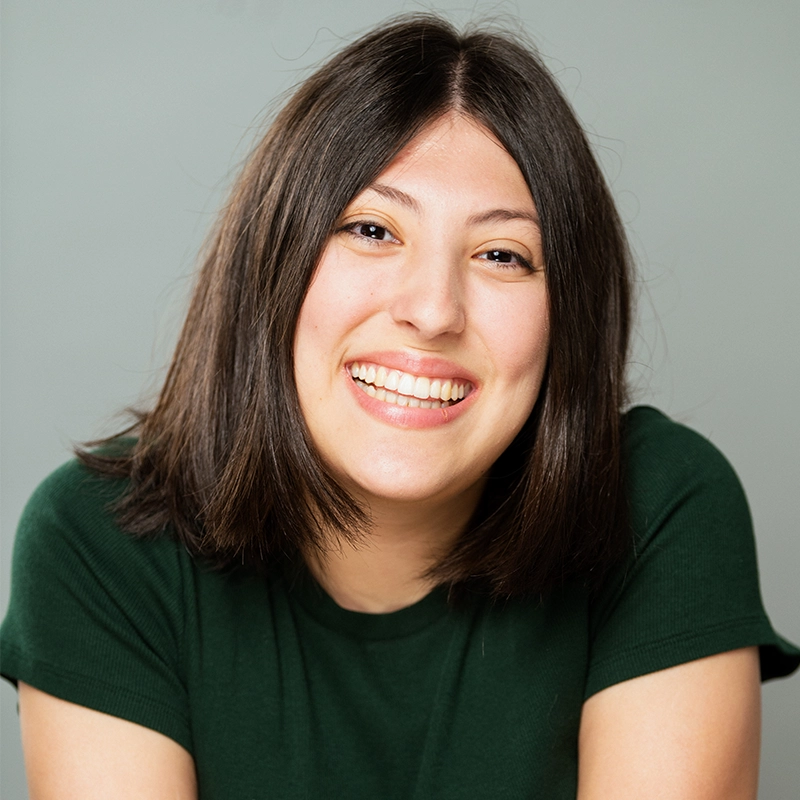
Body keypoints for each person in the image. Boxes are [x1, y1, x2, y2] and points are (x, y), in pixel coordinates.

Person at [2, 14, 797, 800]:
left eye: (500, 254)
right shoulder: (98, 541)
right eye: (373, 229)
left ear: (570, 314)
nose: (433, 309)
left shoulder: (659, 507)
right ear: (270, 264)